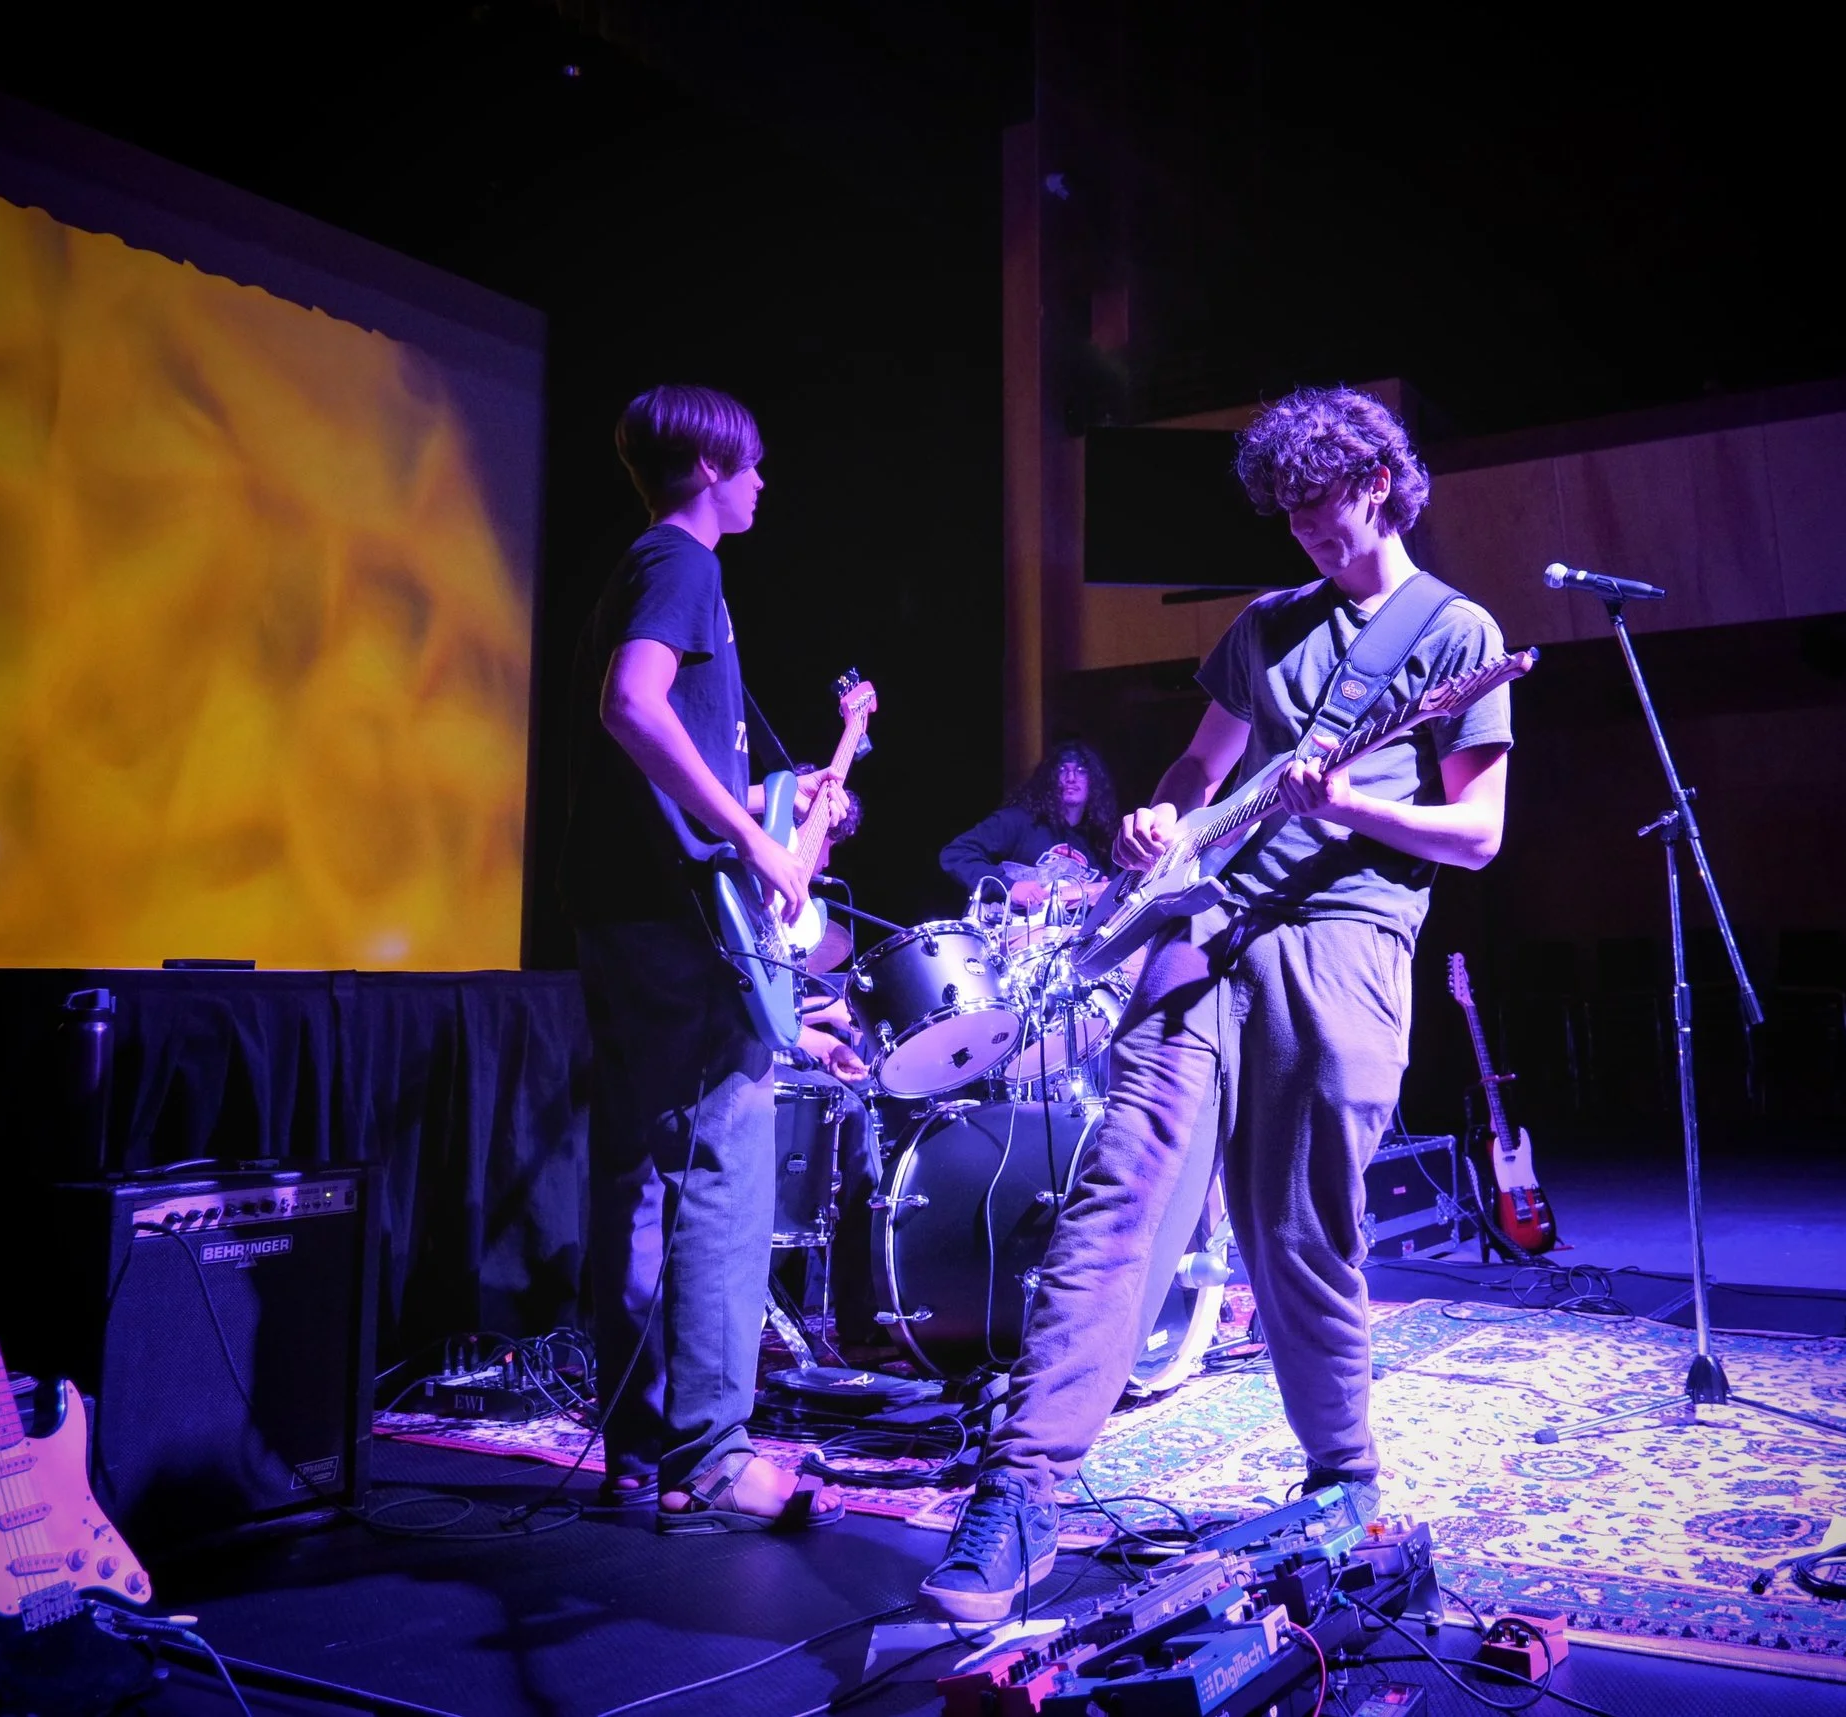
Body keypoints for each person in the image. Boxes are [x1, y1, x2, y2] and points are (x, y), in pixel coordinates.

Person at [918, 384, 1513, 1621]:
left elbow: (1476, 833)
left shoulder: (1457, 633)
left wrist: (1345, 805)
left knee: (1298, 1225)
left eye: (1320, 505)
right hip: (1197, 926)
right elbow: (1197, 774)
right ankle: (1023, 1489)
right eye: (1284, 512)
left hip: (1345, 939)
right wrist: (1152, 820)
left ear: (1378, 483)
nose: (1302, 529)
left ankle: (1343, 1476)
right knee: (1118, 1191)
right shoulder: (1260, 626)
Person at [559, 384, 847, 1532]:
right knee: (725, 1162)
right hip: (680, 922)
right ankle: (714, 1456)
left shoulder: (639, 564)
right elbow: (632, 704)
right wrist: (749, 844)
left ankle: (638, 1451)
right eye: (758, 465)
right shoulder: (684, 566)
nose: (766, 483)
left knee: (636, 1176)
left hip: (619, 912)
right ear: (715, 468)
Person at [939, 740, 1120, 911]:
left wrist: (1104, 898)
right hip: (1013, 938)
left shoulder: (1101, 844)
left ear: (1093, 782)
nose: (1071, 778)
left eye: (1081, 771)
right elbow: (955, 854)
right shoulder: (1019, 821)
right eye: (1062, 770)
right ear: (1049, 779)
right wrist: (1009, 886)